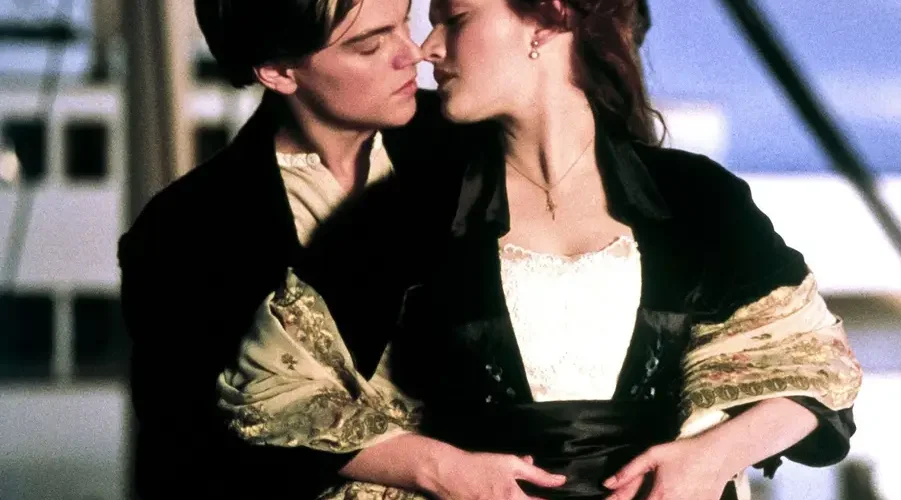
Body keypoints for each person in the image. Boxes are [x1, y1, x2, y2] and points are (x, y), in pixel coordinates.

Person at [217, 0, 863, 499]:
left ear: (547, 19)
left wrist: (712, 458)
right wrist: (441, 469)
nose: (427, 47)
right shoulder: (403, 215)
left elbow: (819, 370)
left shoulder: (697, 198)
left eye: (454, 20)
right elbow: (271, 389)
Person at [116, 0, 458, 497]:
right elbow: (188, 449)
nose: (414, 54)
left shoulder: (472, 147)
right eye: (370, 45)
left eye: (405, 22)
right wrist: (426, 465)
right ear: (278, 72)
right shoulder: (181, 231)